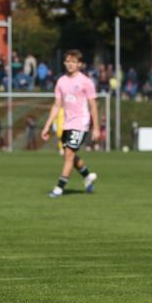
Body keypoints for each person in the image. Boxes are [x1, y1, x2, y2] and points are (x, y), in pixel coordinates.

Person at [41, 50, 100, 198]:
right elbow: (56, 105)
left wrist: (96, 128)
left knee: (68, 154)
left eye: (74, 61)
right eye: (68, 61)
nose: (70, 64)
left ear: (79, 64)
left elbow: (93, 105)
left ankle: (59, 188)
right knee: (69, 156)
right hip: (67, 123)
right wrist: (47, 125)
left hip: (81, 122)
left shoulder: (86, 82)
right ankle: (87, 176)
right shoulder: (61, 81)